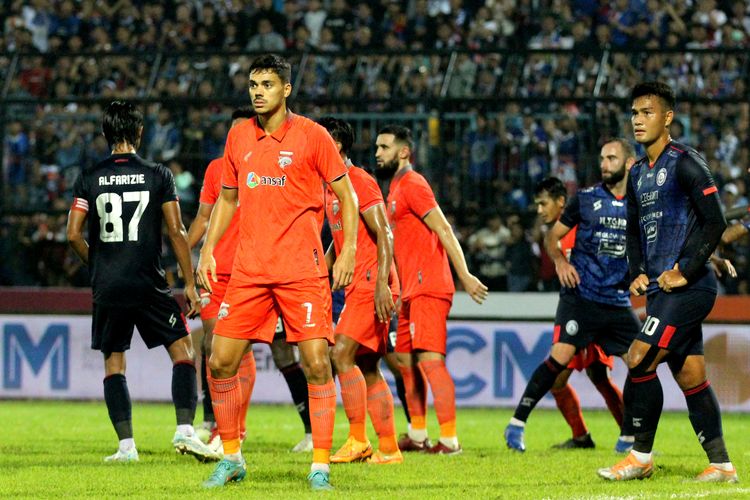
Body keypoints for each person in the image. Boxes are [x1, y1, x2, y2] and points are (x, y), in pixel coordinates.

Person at [197, 54, 358, 491]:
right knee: (220, 360)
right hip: (249, 271)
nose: (257, 91)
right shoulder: (238, 138)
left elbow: (347, 196)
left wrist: (347, 252)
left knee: (316, 364)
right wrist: (207, 251)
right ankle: (231, 458)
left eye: (267, 84)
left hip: (301, 271)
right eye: (253, 84)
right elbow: (227, 201)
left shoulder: (312, 136)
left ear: (286, 89)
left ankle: (320, 466)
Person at [598, 81, 737, 483]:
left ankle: (639, 455)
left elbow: (716, 221)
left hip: (691, 288)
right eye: (634, 113)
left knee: (638, 357)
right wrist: (637, 271)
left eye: (647, 112)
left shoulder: (686, 162)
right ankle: (722, 464)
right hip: (661, 290)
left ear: (668, 117)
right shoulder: (639, 171)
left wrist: (686, 268)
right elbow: (633, 232)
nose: (638, 121)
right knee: (690, 375)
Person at [66, 101, 218, 463]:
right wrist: (190, 283)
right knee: (183, 351)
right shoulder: (158, 175)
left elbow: (73, 234)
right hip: (149, 282)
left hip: (109, 285)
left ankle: (126, 447)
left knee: (114, 363)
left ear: (105, 135)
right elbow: (177, 230)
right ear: (139, 133)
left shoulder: (89, 176)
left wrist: (99, 263)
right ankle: (184, 430)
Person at [187, 108, 312, 454]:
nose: (234, 139)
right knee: (216, 346)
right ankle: (217, 427)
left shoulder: (275, 164)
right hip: (220, 271)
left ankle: (311, 430)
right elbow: (204, 217)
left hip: (262, 271)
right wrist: (187, 254)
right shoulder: (217, 169)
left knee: (283, 351)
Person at [504, 139, 640, 453]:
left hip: (616, 302)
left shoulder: (640, 204)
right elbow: (554, 241)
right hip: (581, 301)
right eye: (601, 158)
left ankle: (627, 437)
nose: (604, 163)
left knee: (625, 369)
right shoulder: (587, 202)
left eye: (611, 158)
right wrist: (561, 262)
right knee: (568, 369)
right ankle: (526, 425)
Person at [374, 124, 488, 455]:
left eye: (384, 147)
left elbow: (444, 228)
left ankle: (450, 441)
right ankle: (418, 433)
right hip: (410, 290)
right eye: (377, 148)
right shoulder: (394, 190)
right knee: (406, 362)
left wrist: (464, 274)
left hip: (429, 287)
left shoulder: (413, 184)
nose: (378, 153)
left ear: (404, 152)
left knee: (430, 363)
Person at [319, 117, 402, 465]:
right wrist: (315, 277)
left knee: (340, 354)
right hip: (363, 283)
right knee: (367, 366)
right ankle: (389, 448)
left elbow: (385, 233)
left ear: (335, 146)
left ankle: (357, 439)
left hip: (373, 281)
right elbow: (341, 243)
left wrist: (383, 283)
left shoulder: (359, 181)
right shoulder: (331, 187)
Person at [531, 176, 632, 452]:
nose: (540, 210)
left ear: (561, 202)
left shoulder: (579, 224)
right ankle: (615, 437)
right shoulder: (558, 231)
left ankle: (596, 436)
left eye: (543, 203)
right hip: (581, 309)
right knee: (598, 377)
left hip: (587, 311)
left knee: (560, 378)